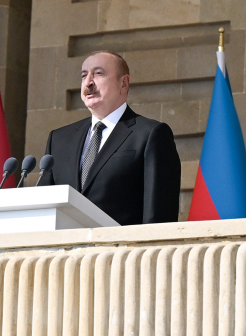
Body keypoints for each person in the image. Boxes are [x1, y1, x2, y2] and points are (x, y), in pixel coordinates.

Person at [38, 51, 181, 225]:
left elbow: (159, 216)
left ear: (124, 83)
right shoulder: (59, 139)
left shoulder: (151, 134)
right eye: (84, 76)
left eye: (98, 74)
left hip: (122, 251)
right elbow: (44, 208)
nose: (88, 82)